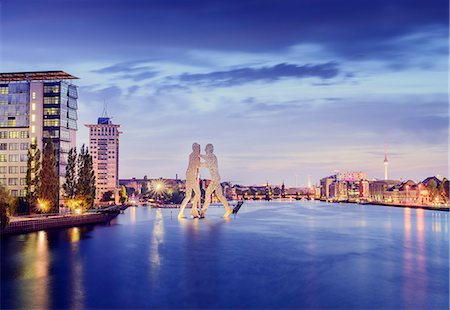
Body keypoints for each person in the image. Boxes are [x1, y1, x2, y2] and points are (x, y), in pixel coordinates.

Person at [199, 144, 233, 218]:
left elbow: (208, 164)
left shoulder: (212, 156)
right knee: (219, 195)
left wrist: (199, 163)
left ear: (209, 149)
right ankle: (228, 209)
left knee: (207, 193)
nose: (205, 150)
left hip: (215, 178)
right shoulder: (211, 156)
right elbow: (206, 158)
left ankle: (203, 211)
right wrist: (199, 156)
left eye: (206, 149)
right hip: (216, 178)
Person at [178, 143, 201, 218]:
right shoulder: (193, 155)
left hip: (191, 176)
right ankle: (193, 210)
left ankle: (182, 212)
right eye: (198, 148)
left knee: (188, 196)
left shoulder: (196, 156)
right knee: (197, 193)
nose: (199, 150)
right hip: (191, 176)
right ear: (194, 148)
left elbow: (197, 168)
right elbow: (196, 165)